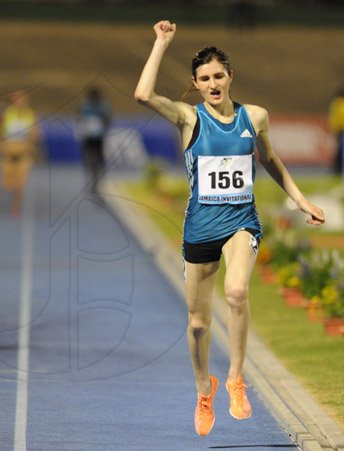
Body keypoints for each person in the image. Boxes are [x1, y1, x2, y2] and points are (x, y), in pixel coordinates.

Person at [134, 21, 324, 436]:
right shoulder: (188, 117)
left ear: (230, 77)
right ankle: (205, 388)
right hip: (201, 227)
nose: (213, 83)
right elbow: (143, 95)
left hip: (241, 222)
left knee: (237, 292)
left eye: (219, 75)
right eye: (204, 78)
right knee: (199, 323)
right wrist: (161, 43)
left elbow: (270, 160)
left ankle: (237, 377)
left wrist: (299, 199)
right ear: (196, 84)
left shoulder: (254, 117)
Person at [0, 90, 39, 218]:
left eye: (22, 100)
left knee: (20, 183)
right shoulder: (7, 114)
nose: (20, 102)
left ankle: (15, 207)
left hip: (23, 150)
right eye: (17, 100)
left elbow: (35, 132)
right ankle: (14, 192)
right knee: (7, 184)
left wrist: (32, 142)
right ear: (12, 102)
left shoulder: (30, 114)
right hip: (9, 149)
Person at [77, 86, 112, 194]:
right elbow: (79, 117)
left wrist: (101, 127)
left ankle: (99, 178)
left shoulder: (103, 105)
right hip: (88, 136)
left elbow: (108, 119)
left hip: (98, 137)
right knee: (89, 158)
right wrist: (85, 128)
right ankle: (92, 177)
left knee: (99, 158)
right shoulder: (85, 105)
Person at [328, 87, 344, 176]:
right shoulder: (340, 104)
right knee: (340, 152)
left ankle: (337, 171)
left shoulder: (335, 104)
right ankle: (338, 171)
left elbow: (334, 119)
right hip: (341, 130)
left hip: (339, 130)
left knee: (339, 152)